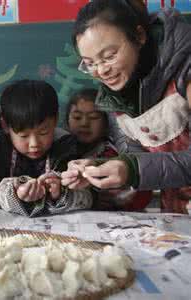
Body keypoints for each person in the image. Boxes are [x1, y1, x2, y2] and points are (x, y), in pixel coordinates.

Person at [61, 0, 191, 214]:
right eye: (90, 63)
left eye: (109, 56)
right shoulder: (116, 94)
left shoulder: (185, 71)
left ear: (139, 36)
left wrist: (130, 168)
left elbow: (137, 167)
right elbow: (137, 157)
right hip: (177, 213)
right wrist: (99, 168)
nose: (101, 71)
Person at [0, 79, 92, 217]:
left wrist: (60, 192)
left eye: (43, 132)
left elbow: (87, 196)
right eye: (24, 136)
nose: (34, 143)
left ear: (55, 120)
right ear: (6, 126)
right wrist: (15, 195)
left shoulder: (66, 145)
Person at [66, 88, 151, 211]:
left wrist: (118, 198)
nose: (84, 123)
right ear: (67, 120)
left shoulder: (116, 155)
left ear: (107, 123)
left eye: (94, 117)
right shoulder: (59, 150)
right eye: (77, 117)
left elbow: (143, 190)